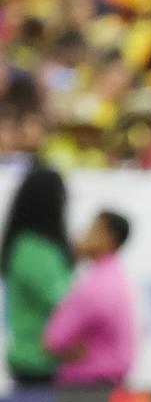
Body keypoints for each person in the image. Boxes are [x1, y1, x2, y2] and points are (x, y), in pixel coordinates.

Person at [44, 210, 136, 387]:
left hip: (86, 388)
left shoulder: (95, 287)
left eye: (92, 229)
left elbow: (53, 340)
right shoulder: (114, 278)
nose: (82, 235)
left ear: (108, 238)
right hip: (107, 384)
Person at [2, 163, 74, 386]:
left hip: (46, 357)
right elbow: (62, 300)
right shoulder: (32, 249)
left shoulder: (36, 246)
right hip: (37, 359)